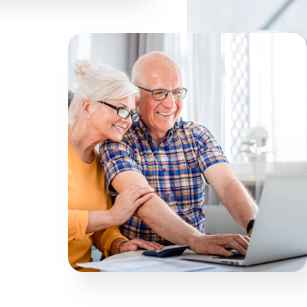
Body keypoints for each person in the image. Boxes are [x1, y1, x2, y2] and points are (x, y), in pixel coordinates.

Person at [100, 52, 258, 257]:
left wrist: (256, 227)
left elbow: (227, 185)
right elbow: (141, 197)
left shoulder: (197, 135)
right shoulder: (118, 140)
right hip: (138, 258)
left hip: (193, 255)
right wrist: (196, 239)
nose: (171, 104)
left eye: (176, 92)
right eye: (159, 93)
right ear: (136, 98)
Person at [68, 60, 164, 272]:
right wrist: (112, 215)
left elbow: (97, 228)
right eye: (121, 110)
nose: (127, 120)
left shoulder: (99, 161)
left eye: (131, 113)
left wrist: (118, 244)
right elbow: (104, 217)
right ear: (87, 107)